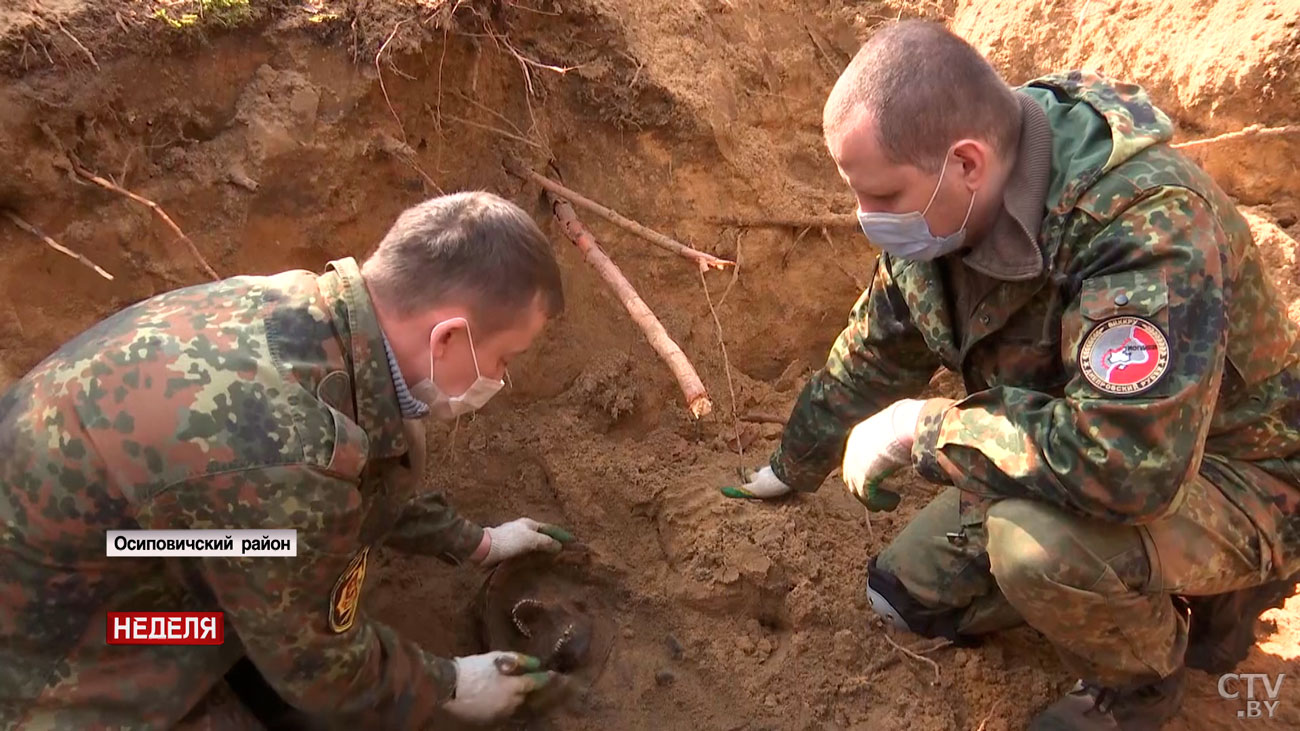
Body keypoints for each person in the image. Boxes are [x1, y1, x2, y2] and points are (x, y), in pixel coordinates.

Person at [721, 20, 1300, 730]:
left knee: (1035, 551)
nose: (867, 220)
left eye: (884, 198)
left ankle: (1143, 680)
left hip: (1235, 474)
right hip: (1064, 447)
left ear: (966, 162)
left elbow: (1130, 463)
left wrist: (921, 429)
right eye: (858, 195)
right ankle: (1127, 587)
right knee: (904, 592)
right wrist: (789, 464)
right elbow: (873, 353)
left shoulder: (1142, 225)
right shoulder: (946, 208)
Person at [0, 191, 575, 728]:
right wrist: (450, 684)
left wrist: (475, 542)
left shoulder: (305, 311)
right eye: (503, 358)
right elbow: (320, 668)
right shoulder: (289, 456)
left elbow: (358, 481)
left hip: (139, 539)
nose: (500, 378)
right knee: (241, 644)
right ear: (447, 338)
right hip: (60, 640)